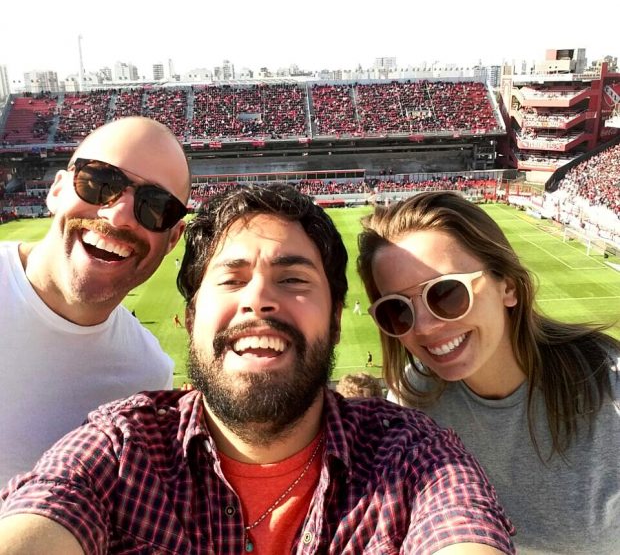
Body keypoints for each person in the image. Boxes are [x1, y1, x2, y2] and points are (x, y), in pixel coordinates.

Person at [0, 184, 515, 555]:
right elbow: (49, 509)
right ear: (189, 319)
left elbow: (459, 527)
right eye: (231, 279)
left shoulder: (415, 462)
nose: (259, 301)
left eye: (293, 279)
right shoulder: (121, 451)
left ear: (336, 321)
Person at [357, 191, 620, 555]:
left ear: (507, 286)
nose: (426, 327)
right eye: (397, 311)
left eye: (446, 293)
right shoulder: (413, 397)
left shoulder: (610, 385)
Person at [0, 116, 190, 486]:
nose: (118, 215)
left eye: (155, 206)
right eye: (100, 182)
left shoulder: (148, 376)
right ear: (57, 190)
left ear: (173, 238)